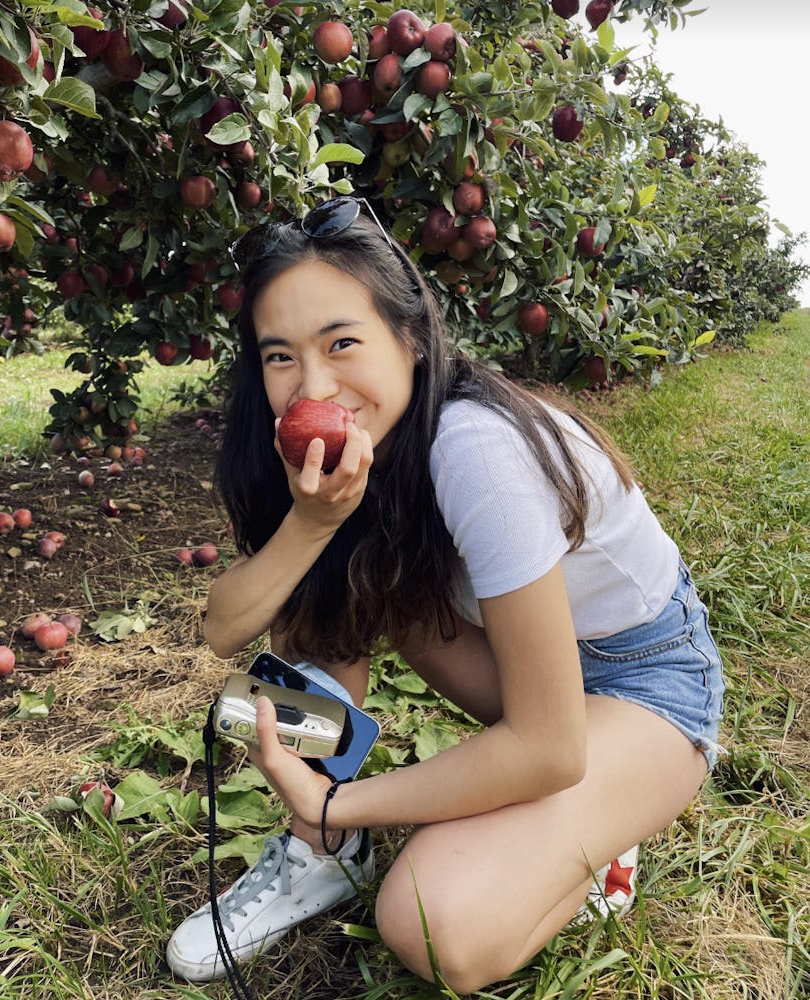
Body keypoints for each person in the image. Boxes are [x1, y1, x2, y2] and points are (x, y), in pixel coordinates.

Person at [166, 197, 725, 994]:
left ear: (413, 337)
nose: (312, 384)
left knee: (436, 925)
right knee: (326, 580)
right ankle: (317, 858)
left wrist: (340, 804)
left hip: (644, 681)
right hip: (530, 667)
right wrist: (313, 525)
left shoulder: (476, 448)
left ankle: (603, 833)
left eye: (343, 342)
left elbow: (548, 746)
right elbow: (227, 628)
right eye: (280, 355)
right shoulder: (356, 452)